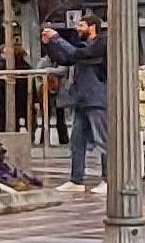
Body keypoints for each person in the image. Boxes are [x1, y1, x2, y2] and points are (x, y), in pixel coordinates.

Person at [44, 12, 110, 186]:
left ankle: (108, 179)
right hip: (81, 98)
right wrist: (50, 44)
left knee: (102, 140)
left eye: (81, 25)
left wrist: (57, 38)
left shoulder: (102, 43)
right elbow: (66, 59)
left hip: (97, 98)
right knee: (77, 141)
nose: (77, 28)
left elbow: (79, 54)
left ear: (92, 27)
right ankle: (76, 180)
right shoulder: (84, 46)